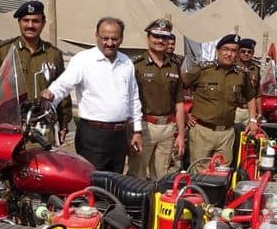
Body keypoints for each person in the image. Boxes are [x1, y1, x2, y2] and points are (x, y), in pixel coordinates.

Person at [41, 17, 143, 173]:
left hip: (119, 136)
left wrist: (137, 131)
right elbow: (63, 84)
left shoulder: (126, 62)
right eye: (105, 38)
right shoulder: (83, 60)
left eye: (114, 38)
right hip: (93, 137)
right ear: (96, 36)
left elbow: (133, 99)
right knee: (91, 184)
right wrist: (51, 94)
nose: (110, 43)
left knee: (114, 185)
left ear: (121, 39)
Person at [0, 0, 72, 143]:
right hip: (9, 125)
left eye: (35, 21)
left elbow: (62, 91)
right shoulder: (3, 51)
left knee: (39, 164)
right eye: (26, 20)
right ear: (19, 22)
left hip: (42, 126)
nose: (30, 25)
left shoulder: (53, 54)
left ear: (43, 23)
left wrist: (64, 125)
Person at [184, 34, 258, 166]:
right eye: (226, 49)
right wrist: (184, 114)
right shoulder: (203, 70)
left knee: (222, 173)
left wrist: (252, 120)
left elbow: (251, 96)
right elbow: (177, 88)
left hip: (227, 133)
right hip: (203, 131)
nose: (229, 54)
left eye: (234, 50)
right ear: (218, 51)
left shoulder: (242, 74)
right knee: (199, 173)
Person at [127, 19, 185, 180]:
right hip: (144, 126)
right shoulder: (137, 66)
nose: (160, 41)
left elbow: (179, 103)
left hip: (167, 128)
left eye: (164, 37)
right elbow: (129, 101)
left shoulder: (174, 66)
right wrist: (133, 130)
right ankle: (136, 206)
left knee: (161, 176)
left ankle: (154, 205)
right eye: (156, 36)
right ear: (148, 37)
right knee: (136, 175)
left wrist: (180, 134)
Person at [234, 38, 261, 125]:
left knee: (247, 137)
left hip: (250, 111)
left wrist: (260, 113)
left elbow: (257, 93)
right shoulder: (233, 67)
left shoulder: (255, 69)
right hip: (235, 109)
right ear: (238, 52)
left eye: (249, 52)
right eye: (243, 51)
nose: (246, 54)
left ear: (253, 53)